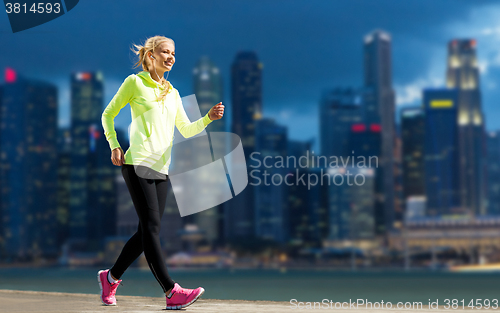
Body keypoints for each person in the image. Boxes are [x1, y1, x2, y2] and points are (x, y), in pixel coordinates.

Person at [98, 35, 224, 310]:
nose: (171, 57)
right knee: (153, 228)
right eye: (165, 52)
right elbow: (108, 114)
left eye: (174, 54)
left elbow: (187, 130)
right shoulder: (135, 83)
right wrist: (114, 145)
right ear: (151, 55)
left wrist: (208, 118)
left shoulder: (174, 93)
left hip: (161, 168)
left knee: (146, 231)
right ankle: (171, 291)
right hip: (137, 163)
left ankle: (110, 278)